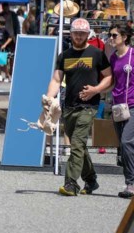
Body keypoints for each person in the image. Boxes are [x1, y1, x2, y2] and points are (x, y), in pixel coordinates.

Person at [46, 18, 112, 197]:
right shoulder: (64, 55)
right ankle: (91, 180)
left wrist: (96, 89)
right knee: (79, 146)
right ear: (71, 34)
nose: (78, 36)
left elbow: (108, 76)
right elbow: (56, 79)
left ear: (88, 34)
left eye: (82, 34)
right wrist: (49, 98)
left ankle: (71, 184)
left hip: (89, 106)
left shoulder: (97, 53)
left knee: (76, 144)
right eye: (76, 33)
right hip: (69, 106)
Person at [108, 24, 134, 198]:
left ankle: (131, 184)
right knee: (123, 147)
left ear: (124, 37)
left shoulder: (133, 55)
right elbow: (112, 81)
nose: (111, 38)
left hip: (132, 105)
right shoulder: (113, 57)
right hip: (117, 106)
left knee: (126, 142)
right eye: (110, 35)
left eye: (114, 35)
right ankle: (129, 182)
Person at [0, 16, 14, 82]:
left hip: (3, 48)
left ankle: (8, 75)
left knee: (3, 63)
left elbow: (10, 38)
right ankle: (0, 75)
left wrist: (5, 45)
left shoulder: (5, 30)